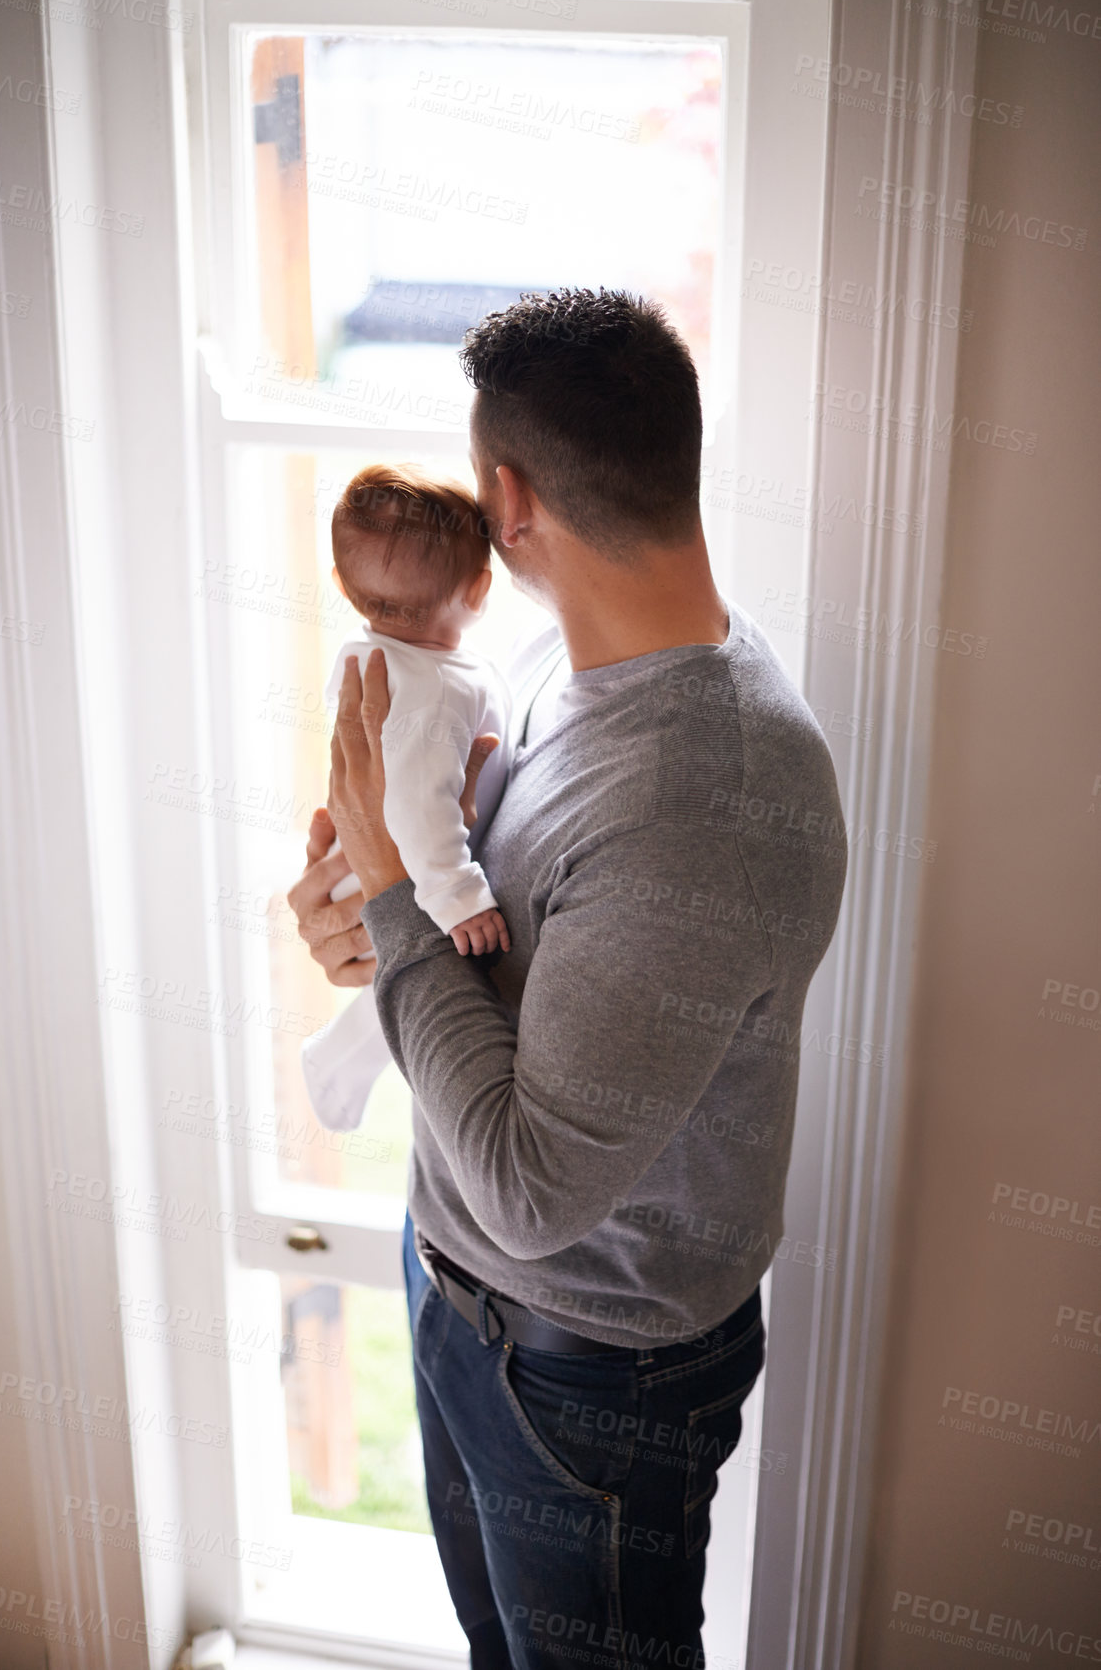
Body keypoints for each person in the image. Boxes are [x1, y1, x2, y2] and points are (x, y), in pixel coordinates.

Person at [288, 288, 848, 1669]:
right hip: (464, 1291)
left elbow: (536, 1190)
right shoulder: (563, 661)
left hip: (581, 1374)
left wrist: (391, 897)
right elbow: (488, 931)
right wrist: (359, 913)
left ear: (508, 497)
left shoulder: (702, 794)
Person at [300, 462, 512, 1137]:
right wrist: (458, 894)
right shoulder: (439, 688)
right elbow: (421, 805)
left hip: (361, 856)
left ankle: (335, 1064)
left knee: (397, 989)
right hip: (398, 869)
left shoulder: (375, 657)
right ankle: (333, 1067)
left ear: (343, 585)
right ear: (479, 590)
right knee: (412, 983)